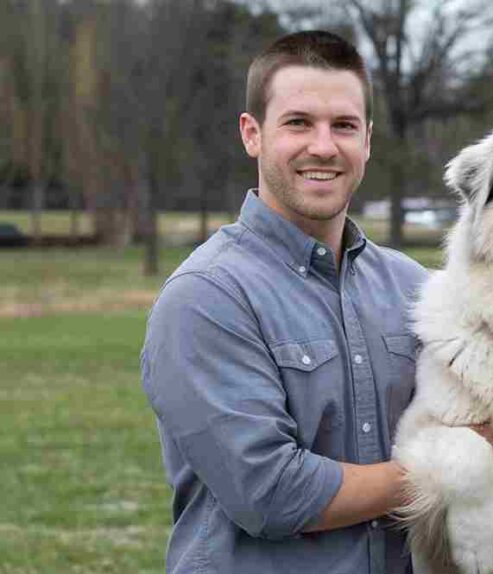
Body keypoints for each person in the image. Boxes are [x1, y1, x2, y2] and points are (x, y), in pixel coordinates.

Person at [141, 31, 427, 573]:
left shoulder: (414, 289)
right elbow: (272, 492)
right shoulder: (206, 297)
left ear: (367, 140)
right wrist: (452, 471)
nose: (323, 146)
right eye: (298, 123)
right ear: (252, 134)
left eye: (343, 126)